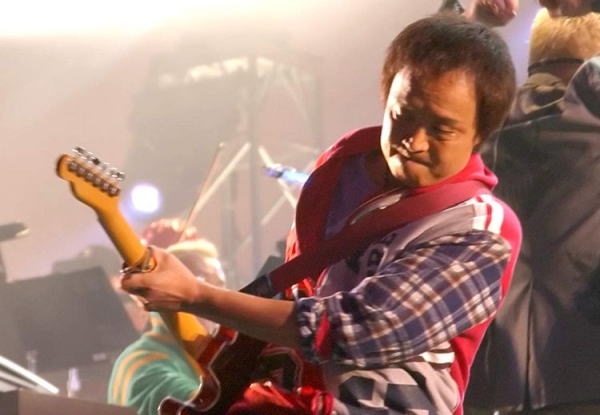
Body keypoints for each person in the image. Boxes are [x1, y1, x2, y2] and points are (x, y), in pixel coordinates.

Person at [120, 14, 521, 415]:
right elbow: (300, 288)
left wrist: (197, 295)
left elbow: (364, 330)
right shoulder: (340, 168)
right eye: (403, 115)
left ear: (479, 134)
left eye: (441, 129)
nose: (414, 140)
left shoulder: (481, 229)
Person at [464, 8, 600, 415]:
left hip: (486, 382)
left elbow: (427, 72)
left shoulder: (470, 125)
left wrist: (473, 22)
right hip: (583, 373)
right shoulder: (591, 114)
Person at [108, 236, 225, 415]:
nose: (222, 296)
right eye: (206, 286)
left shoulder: (207, 355)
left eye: (220, 285)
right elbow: (212, 407)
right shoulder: (142, 362)